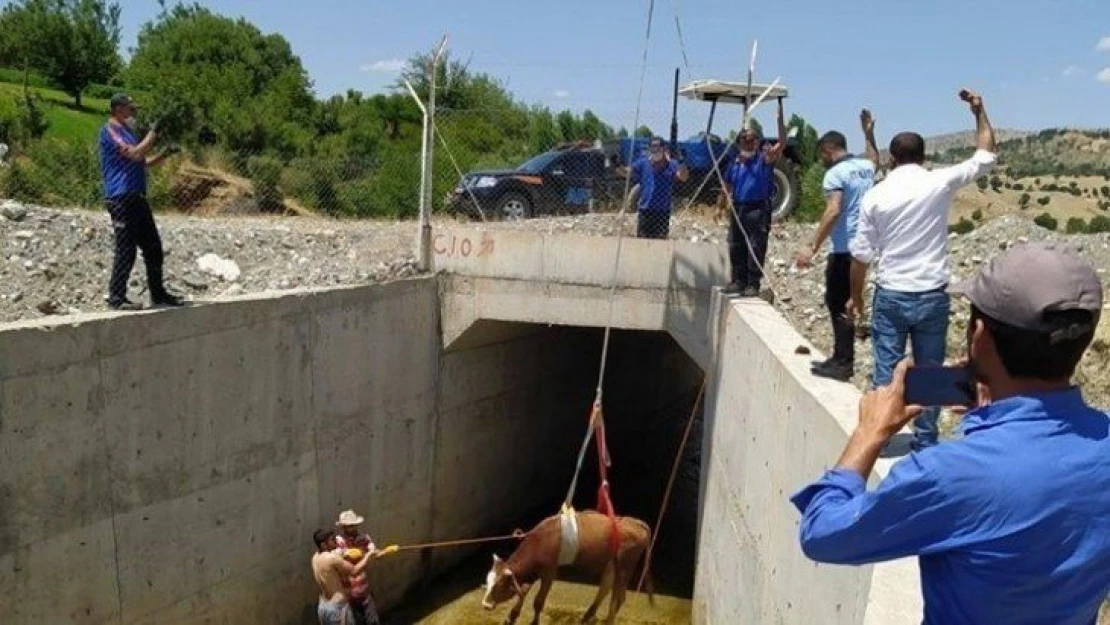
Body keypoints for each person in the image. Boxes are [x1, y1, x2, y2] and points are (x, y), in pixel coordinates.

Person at [790, 241, 1110, 625]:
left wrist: (870, 432)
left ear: (978, 335)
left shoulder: (948, 473)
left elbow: (824, 533)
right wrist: (991, 420)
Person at [848, 88, 997, 450]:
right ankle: (926, 441)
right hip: (931, 294)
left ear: (893, 158)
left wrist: (856, 300)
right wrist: (979, 111)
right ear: (924, 156)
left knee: (886, 370)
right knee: (930, 372)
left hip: (892, 294)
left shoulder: (875, 196)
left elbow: (861, 257)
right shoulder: (937, 182)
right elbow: (987, 153)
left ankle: (878, 438)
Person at [795, 111, 879, 382]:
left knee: (837, 303)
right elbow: (875, 159)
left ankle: (844, 362)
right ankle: (841, 357)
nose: (820, 158)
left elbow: (833, 211)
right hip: (864, 246)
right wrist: (869, 134)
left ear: (829, 149)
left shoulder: (834, 174)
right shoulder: (865, 167)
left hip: (844, 249)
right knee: (849, 301)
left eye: (821, 153)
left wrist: (812, 247)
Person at [98, 93, 184, 311]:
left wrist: (165, 154)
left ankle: (158, 294)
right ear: (118, 109)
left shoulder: (127, 132)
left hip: (137, 196)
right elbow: (135, 154)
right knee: (126, 248)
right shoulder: (110, 131)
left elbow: (143, 162)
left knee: (153, 247)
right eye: (129, 108)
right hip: (121, 196)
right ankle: (116, 298)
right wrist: (153, 133)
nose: (133, 111)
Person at [720, 97, 787, 297]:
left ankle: (752, 283)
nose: (747, 143)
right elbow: (727, 185)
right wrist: (720, 205)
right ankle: (737, 280)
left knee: (756, 245)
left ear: (757, 142)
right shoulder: (735, 163)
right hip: (738, 208)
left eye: (751, 140)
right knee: (736, 244)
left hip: (758, 209)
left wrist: (779, 119)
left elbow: (781, 143)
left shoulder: (763, 159)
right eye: (744, 140)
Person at [626, 136, 689, 239]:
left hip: (662, 212)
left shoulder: (672, 165)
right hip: (646, 210)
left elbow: (684, 178)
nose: (655, 150)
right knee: (642, 241)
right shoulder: (643, 163)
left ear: (664, 148)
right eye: (652, 147)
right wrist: (616, 164)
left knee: (660, 242)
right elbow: (628, 172)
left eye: (657, 147)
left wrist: (682, 162)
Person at [312, 529, 374, 625]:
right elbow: (354, 571)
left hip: (323, 607)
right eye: (332, 540)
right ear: (324, 545)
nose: (336, 541)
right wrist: (369, 555)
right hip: (338, 608)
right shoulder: (332, 558)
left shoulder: (315, 557)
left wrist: (345, 554)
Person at [334, 510, 385, 625]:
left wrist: (377, 553)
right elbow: (339, 557)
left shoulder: (364, 538)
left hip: (363, 588)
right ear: (344, 527)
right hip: (348, 592)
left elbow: (372, 549)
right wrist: (353, 553)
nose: (353, 528)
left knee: (373, 621)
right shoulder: (338, 541)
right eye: (349, 526)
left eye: (354, 525)